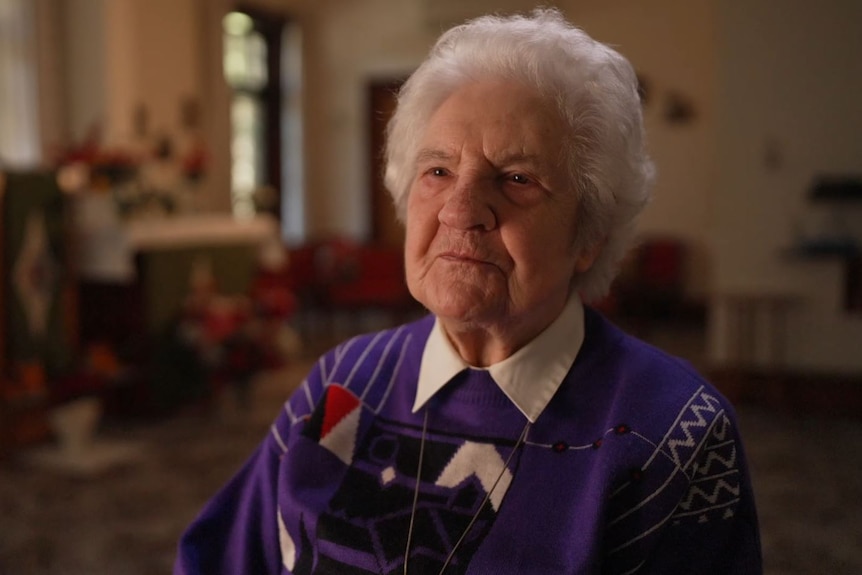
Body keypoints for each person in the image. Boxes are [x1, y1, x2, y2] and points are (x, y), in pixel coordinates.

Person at [175, 9, 762, 574]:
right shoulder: (341, 383)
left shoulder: (671, 434)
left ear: (589, 236)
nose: (460, 211)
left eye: (516, 179)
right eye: (437, 172)